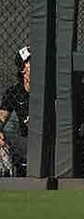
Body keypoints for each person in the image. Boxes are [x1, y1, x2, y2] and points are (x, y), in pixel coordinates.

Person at [0, 46, 30, 177]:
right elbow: (1, 119)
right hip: (27, 142)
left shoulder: (52, 90)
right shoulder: (14, 92)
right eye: (31, 61)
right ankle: (9, 177)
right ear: (23, 68)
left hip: (50, 142)